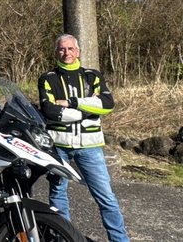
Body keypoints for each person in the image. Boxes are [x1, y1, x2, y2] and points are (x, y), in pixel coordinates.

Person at [38, 34, 130, 242]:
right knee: (58, 193)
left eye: (70, 49)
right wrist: (88, 108)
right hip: (58, 145)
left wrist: (71, 102)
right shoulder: (47, 77)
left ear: (78, 51)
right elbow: (50, 111)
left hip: (90, 147)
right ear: (56, 52)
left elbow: (107, 104)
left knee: (106, 197)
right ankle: (64, 237)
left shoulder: (93, 76)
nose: (66, 53)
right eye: (62, 49)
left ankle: (120, 239)